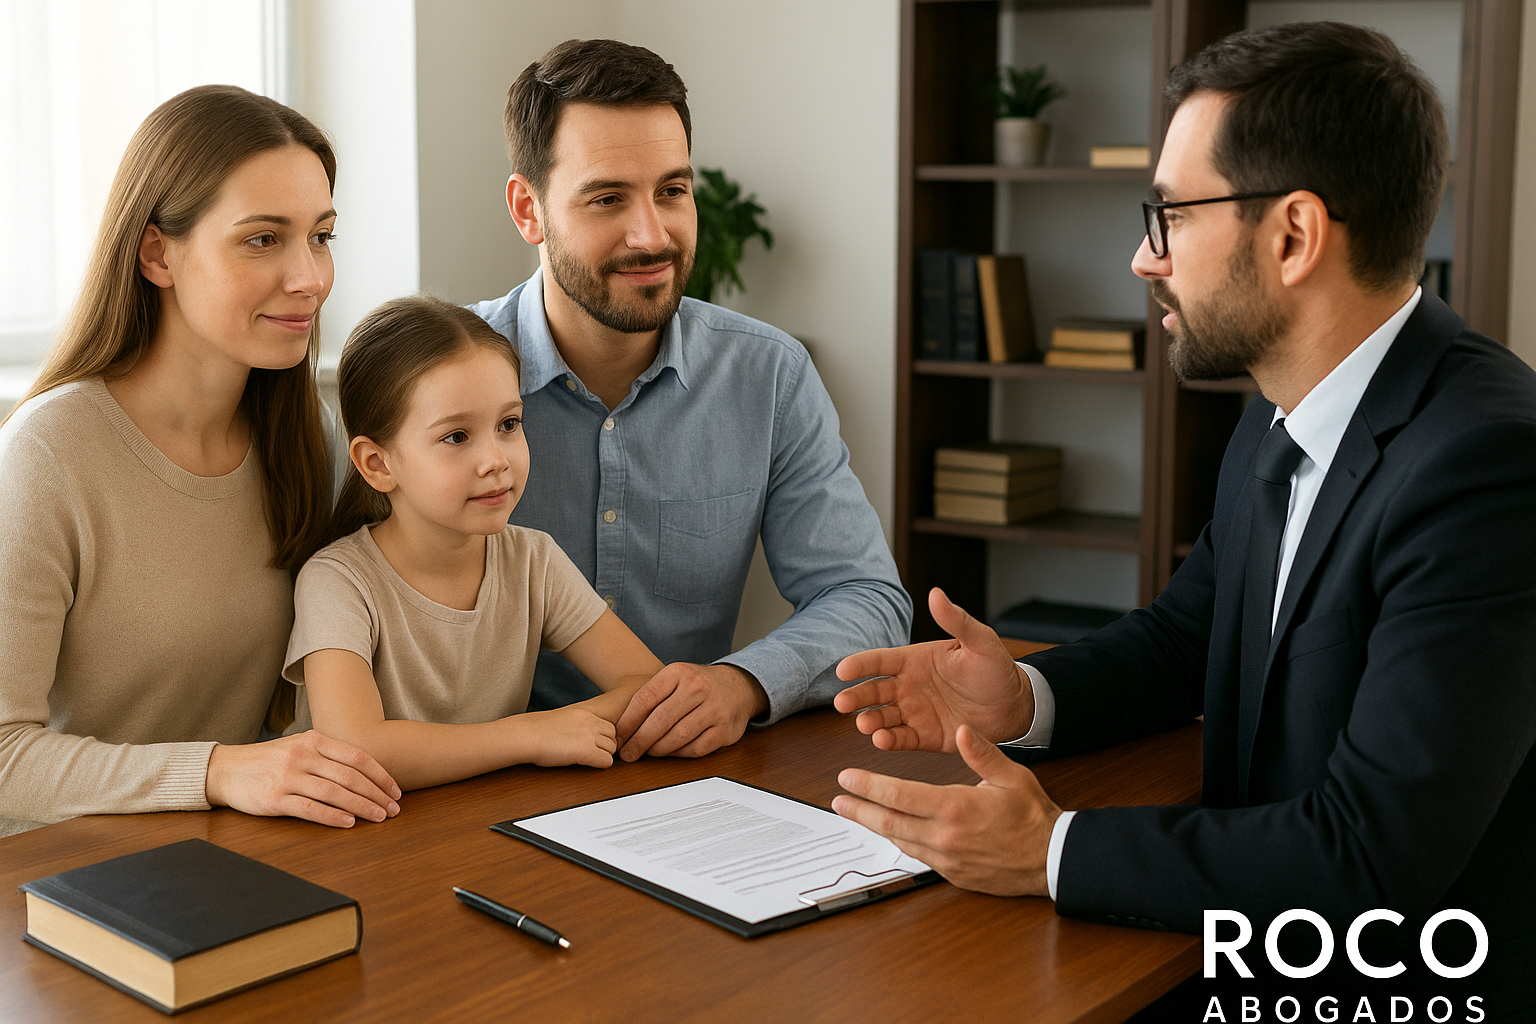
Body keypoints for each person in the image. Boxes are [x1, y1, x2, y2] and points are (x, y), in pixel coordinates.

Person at [831, 22, 1536, 1010]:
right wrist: (1023, 699)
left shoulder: (1488, 463)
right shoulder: (1280, 409)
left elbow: (1374, 851)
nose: (1141, 259)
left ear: (1293, 236)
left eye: (1169, 217)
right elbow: (1185, 636)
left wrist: (1052, 848)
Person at [469, 39, 911, 762]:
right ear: (529, 209)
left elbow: (867, 599)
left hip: (678, 784)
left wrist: (742, 684)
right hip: (475, 782)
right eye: (608, 198)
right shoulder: (427, 383)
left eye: (672, 191)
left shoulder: (768, 375)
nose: (653, 235)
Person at [0, 85, 402, 837]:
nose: (310, 277)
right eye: (262, 239)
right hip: (61, 882)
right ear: (158, 253)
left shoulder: (305, 438)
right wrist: (218, 771)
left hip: (234, 851)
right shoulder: (49, 455)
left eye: (322, 236)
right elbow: (3, 759)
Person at [284, 297, 665, 790]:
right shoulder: (336, 580)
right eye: (457, 436)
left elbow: (647, 686)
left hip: (480, 818)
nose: (495, 460)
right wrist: (530, 734)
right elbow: (354, 750)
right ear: (378, 464)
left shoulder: (534, 560)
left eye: (509, 425)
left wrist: (548, 732)